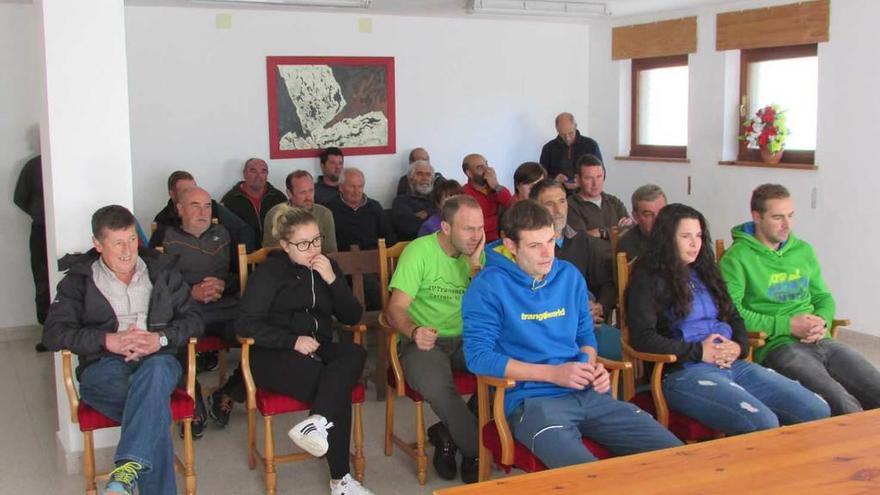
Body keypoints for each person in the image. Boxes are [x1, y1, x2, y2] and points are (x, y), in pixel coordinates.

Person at [462, 200, 681, 470]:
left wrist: (590, 366)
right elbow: (478, 358)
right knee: (588, 477)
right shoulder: (488, 286)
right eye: (534, 246)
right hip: (531, 403)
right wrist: (553, 374)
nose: (547, 254)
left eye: (550, 241)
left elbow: (585, 337)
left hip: (586, 393)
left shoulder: (568, 276)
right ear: (510, 245)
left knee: (675, 456)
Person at [626, 203, 830, 435]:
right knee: (763, 422)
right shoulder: (648, 277)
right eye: (685, 236)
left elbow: (734, 317)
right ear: (667, 238)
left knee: (817, 409)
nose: (695, 244)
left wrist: (739, 347)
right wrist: (699, 351)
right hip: (685, 372)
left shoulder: (705, 271)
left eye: (699, 236)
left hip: (734, 363)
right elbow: (643, 338)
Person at [42, 205, 202, 495]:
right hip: (105, 368)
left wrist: (161, 339)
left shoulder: (162, 271)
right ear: (97, 244)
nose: (128, 251)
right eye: (118, 243)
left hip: (158, 360)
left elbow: (194, 320)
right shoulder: (79, 281)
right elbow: (53, 334)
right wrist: (108, 340)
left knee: (155, 374)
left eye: (131, 239)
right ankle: (127, 472)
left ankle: (125, 473)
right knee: (154, 411)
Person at [237, 208, 372, 495]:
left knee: (354, 354)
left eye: (316, 241)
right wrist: (291, 341)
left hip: (317, 346)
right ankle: (341, 480)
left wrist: (332, 281)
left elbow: (352, 317)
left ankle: (316, 422)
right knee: (337, 385)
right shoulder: (270, 273)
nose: (312, 250)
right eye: (302, 244)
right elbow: (245, 324)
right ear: (285, 246)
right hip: (272, 353)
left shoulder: (328, 267)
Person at [720, 184, 880, 415]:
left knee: (874, 388)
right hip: (780, 346)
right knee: (841, 402)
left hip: (821, 339)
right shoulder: (736, 258)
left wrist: (822, 320)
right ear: (757, 217)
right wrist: (787, 325)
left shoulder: (803, 250)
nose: (787, 225)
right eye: (777, 217)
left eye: (790, 216)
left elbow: (823, 297)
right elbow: (733, 315)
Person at [386, 195, 486, 484]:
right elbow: (395, 308)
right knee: (439, 388)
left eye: (479, 228)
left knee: (506, 368)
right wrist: (415, 331)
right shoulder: (419, 252)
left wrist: (476, 266)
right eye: (468, 229)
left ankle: (447, 433)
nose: (476, 236)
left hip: (469, 337)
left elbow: (491, 306)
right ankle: (477, 450)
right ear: (445, 227)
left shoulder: (481, 254)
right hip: (423, 340)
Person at [161, 187, 241, 432]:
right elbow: (158, 287)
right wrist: (190, 291)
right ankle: (192, 402)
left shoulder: (224, 234)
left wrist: (224, 284)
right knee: (174, 338)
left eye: (207, 206)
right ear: (180, 208)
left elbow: (242, 277)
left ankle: (227, 392)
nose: (203, 212)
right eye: (195, 205)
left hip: (224, 307)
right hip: (186, 310)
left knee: (260, 332)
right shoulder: (165, 238)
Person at [530, 179, 619, 358]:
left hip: (589, 325)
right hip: (550, 330)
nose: (558, 210)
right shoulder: (529, 249)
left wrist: (600, 306)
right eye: (549, 204)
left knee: (627, 349)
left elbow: (607, 283)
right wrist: (577, 315)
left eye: (562, 202)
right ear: (535, 208)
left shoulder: (582, 241)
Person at [151, 170, 256, 252]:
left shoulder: (212, 206)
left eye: (194, 189)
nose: (192, 194)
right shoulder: (162, 219)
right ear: (172, 194)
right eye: (186, 191)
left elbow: (243, 230)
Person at [13, 155, 49, 351]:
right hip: (40, 229)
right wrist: (40, 213)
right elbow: (20, 197)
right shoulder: (33, 166)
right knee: (42, 280)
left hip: (64, 227)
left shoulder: (68, 159)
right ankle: (46, 333)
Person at [262, 170, 338, 252]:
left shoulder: (324, 214)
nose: (308, 197)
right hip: (283, 263)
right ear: (289, 193)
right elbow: (270, 252)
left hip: (317, 262)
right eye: (303, 192)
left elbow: (331, 252)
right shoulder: (274, 215)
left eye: (311, 191)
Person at [325, 167, 396, 252]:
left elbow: (390, 239)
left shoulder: (374, 207)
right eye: (352, 187)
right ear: (341, 187)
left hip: (373, 258)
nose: (356, 191)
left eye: (360, 186)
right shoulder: (329, 208)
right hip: (341, 259)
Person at [221, 158, 286, 249]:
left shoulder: (278, 198)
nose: (258, 176)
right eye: (253, 171)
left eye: (263, 171)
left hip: (275, 253)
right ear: (244, 174)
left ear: (267, 175)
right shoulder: (230, 200)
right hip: (243, 256)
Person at [567, 154, 633, 240]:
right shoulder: (571, 205)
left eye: (599, 177)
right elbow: (581, 240)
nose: (595, 183)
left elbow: (630, 232)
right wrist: (617, 231)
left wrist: (602, 232)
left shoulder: (614, 202)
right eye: (588, 178)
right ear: (578, 179)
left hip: (620, 252)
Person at [539, 112, 603, 191]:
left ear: (575, 126)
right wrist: (555, 180)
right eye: (562, 134)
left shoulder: (590, 145)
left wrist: (581, 182)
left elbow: (601, 173)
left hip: (585, 194)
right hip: (557, 194)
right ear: (557, 129)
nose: (567, 138)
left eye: (570, 133)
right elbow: (541, 178)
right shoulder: (548, 148)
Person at [461, 153, 513, 242]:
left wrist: (496, 186)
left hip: (505, 238)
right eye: (480, 167)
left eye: (486, 165)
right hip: (481, 244)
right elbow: (475, 226)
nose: (487, 170)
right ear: (469, 173)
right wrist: (500, 220)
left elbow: (512, 205)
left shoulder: (495, 188)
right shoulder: (464, 194)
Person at [616, 184, 667, 259]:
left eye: (662, 212)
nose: (657, 219)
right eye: (648, 214)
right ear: (636, 217)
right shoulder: (627, 245)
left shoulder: (678, 234)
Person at [391, 160, 438, 241]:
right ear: (410, 178)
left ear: (432, 179)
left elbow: (449, 219)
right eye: (420, 174)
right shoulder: (400, 201)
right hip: (413, 246)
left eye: (428, 174)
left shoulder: (438, 198)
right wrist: (436, 217)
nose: (425, 178)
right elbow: (409, 228)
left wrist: (428, 213)